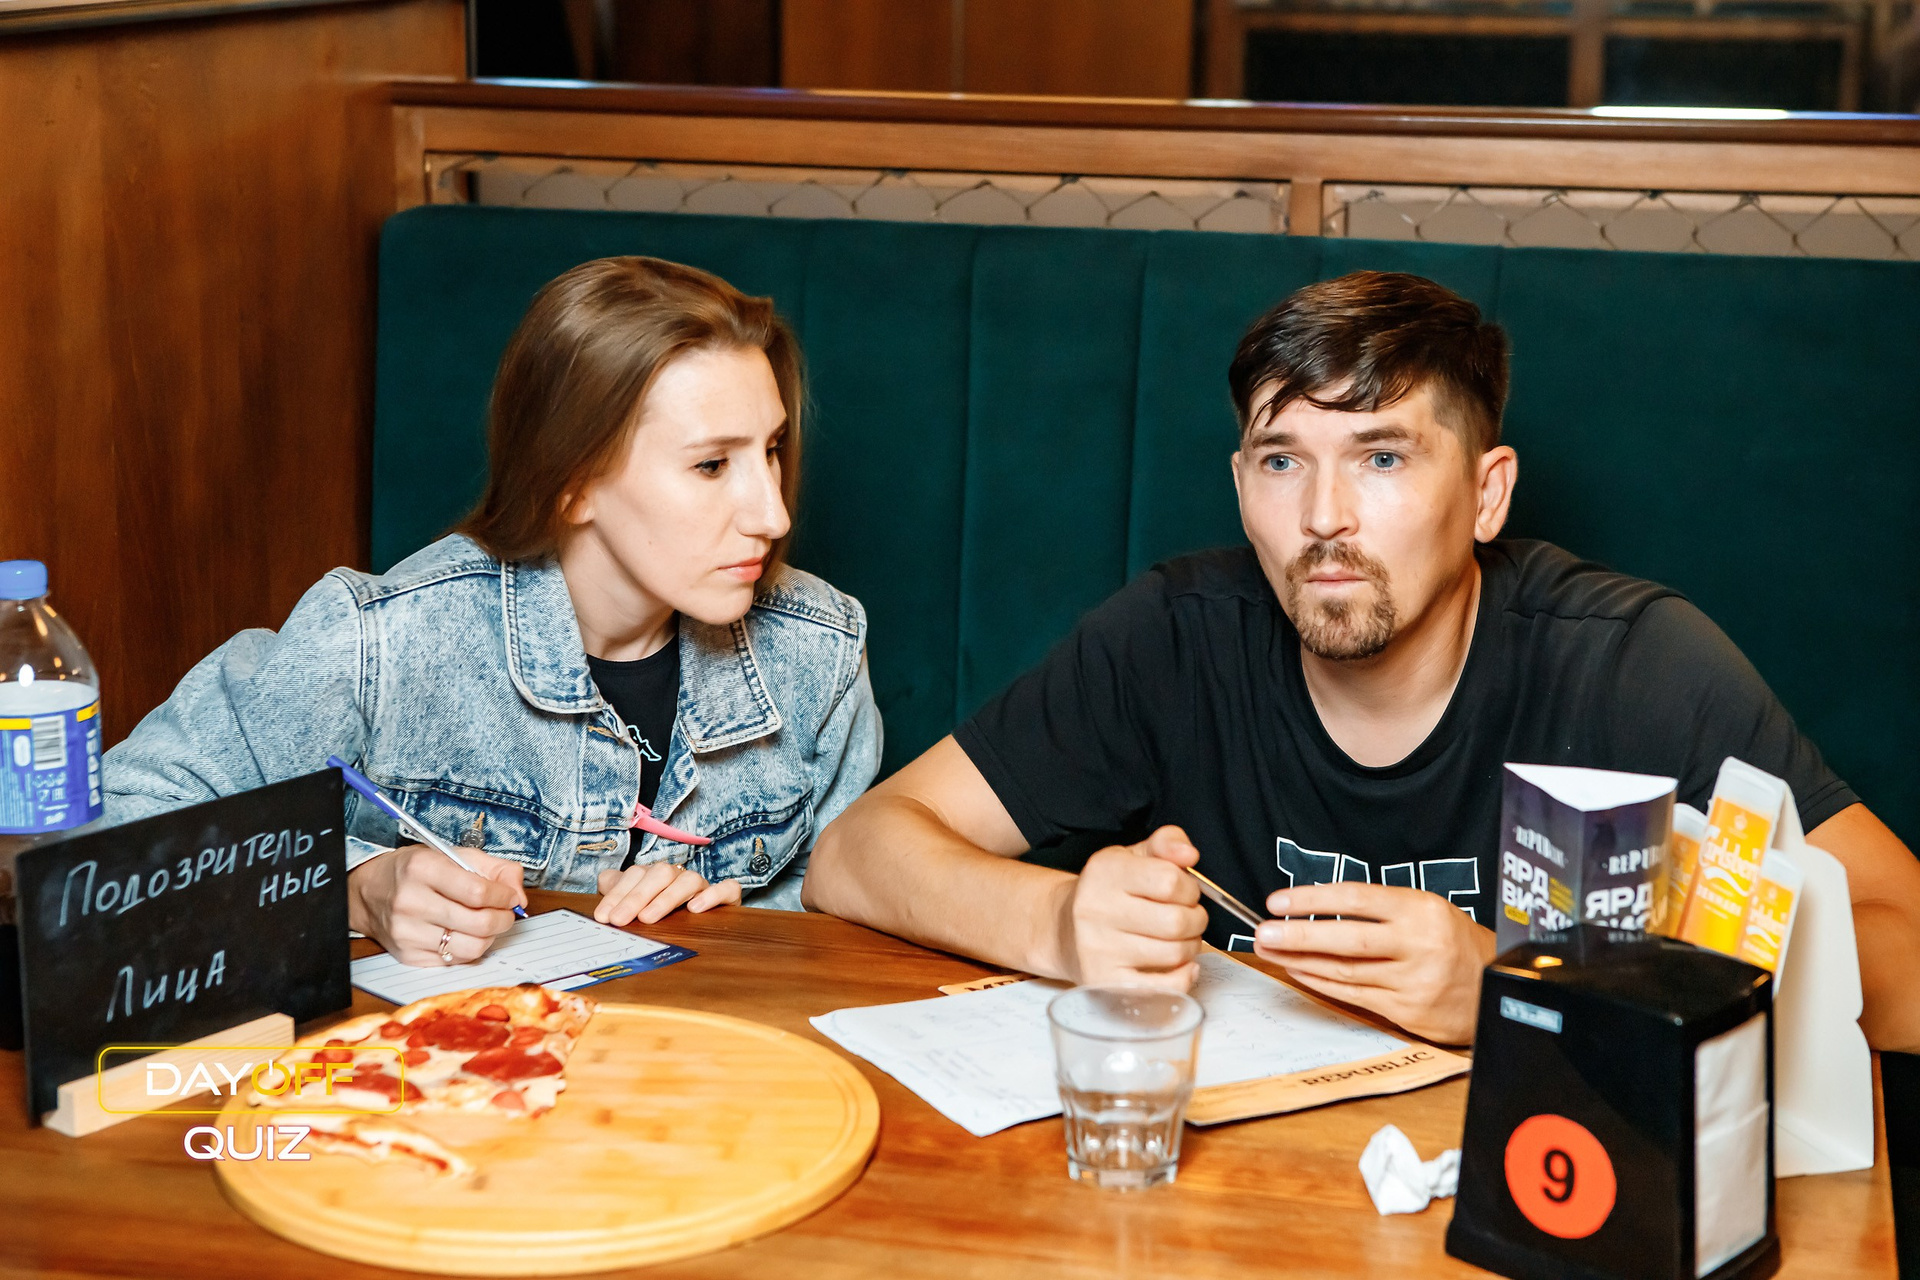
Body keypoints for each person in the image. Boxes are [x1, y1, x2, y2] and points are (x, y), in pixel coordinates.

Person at [804, 269, 1920, 1050]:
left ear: (1486, 493)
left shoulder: (1630, 662)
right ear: (1241, 485)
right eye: (1282, 460)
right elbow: (854, 854)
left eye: (1382, 457)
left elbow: (1907, 952)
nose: (1323, 516)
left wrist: (1520, 988)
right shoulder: (1176, 634)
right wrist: (1059, 922)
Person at [105, 256, 880, 966]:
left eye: (771, 450)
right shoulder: (384, 639)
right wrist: (353, 888)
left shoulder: (822, 648)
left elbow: (845, 904)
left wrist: (736, 916)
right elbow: (113, 829)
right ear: (572, 483)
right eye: (712, 464)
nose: (772, 514)